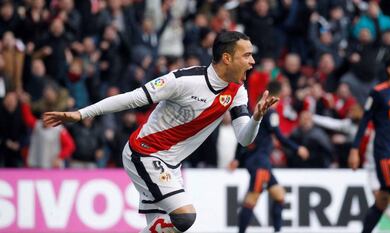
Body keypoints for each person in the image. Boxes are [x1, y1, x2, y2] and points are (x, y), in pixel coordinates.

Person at [43, 31, 278, 233]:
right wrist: (82, 114)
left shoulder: (237, 91)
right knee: (185, 217)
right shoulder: (184, 81)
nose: (252, 61)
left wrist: (256, 118)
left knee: (164, 227)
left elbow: (244, 138)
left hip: (171, 165)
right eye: (247, 55)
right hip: (144, 153)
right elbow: (132, 99)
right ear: (227, 58)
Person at [228, 80, 309, 233]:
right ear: (280, 90)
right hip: (260, 162)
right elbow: (278, 136)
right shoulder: (271, 111)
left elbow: (244, 135)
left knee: (279, 196)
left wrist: (237, 158)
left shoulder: (260, 110)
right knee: (252, 200)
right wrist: (297, 148)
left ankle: (277, 231)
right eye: (286, 86)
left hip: (259, 161)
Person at [348, 52, 390, 233]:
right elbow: (364, 122)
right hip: (384, 153)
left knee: (383, 200)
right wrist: (355, 150)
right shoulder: (379, 93)